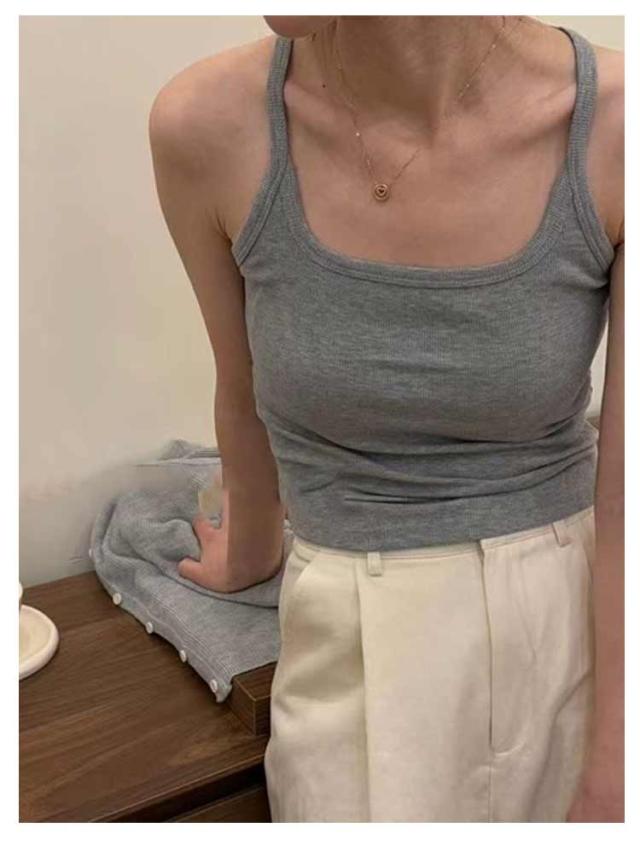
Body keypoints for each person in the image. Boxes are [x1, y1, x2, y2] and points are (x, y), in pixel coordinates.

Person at [148, 15, 624, 822]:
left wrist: (615, 770)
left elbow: (628, 488)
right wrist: (251, 547)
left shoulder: (613, 123)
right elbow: (243, 381)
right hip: (340, 632)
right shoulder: (206, 123)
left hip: (567, 627)